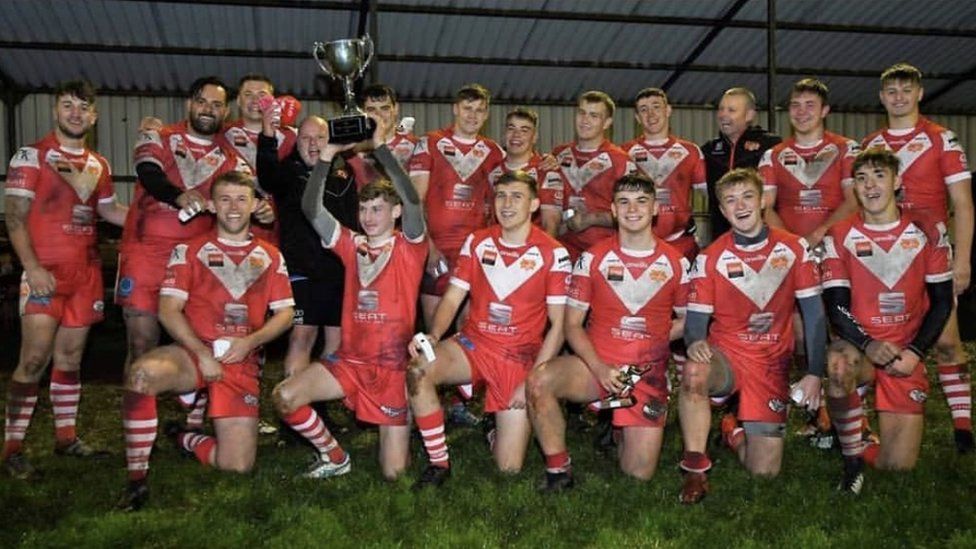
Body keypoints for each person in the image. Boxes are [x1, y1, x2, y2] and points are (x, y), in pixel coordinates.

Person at [117, 171, 295, 511]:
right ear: (211, 205)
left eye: (242, 199)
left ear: (256, 204)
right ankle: (137, 481)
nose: (233, 207)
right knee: (141, 375)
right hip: (194, 351)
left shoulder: (271, 255)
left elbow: (286, 315)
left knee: (237, 466)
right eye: (224, 199)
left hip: (241, 361)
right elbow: (169, 310)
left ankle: (184, 437)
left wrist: (250, 343)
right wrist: (202, 354)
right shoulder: (189, 250)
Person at [272, 115, 425, 480]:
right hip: (350, 364)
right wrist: (326, 155)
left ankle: (413, 416)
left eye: (378, 209)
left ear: (396, 212)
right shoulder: (350, 243)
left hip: (391, 370)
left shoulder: (410, 245)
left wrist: (380, 148)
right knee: (284, 397)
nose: (369, 217)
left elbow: (414, 200)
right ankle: (335, 456)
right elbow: (312, 210)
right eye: (364, 209)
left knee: (394, 475)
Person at [116, 76, 265, 431]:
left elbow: (248, 195)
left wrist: (263, 209)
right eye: (202, 102)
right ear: (189, 104)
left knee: (201, 340)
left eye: (216, 105)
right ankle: (135, 434)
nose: (208, 110)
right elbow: (148, 173)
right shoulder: (159, 135)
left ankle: (191, 424)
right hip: (145, 254)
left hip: (197, 262)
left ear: (225, 111)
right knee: (141, 341)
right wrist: (178, 195)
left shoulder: (232, 159)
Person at [408, 170, 571, 488]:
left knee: (508, 469)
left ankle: (492, 427)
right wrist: (435, 335)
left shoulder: (554, 252)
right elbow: (453, 297)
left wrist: (534, 378)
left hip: (519, 357)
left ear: (535, 204)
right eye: (500, 195)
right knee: (418, 369)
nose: (506, 204)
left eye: (516, 196)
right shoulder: (478, 241)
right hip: (473, 345)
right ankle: (439, 463)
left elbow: (559, 326)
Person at [527, 174, 689, 491]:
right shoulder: (592, 258)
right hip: (594, 365)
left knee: (637, 476)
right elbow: (572, 324)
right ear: (613, 210)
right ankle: (559, 471)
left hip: (644, 371)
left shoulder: (677, 262)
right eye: (624, 202)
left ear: (655, 209)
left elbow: (689, 321)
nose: (632, 210)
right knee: (538, 382)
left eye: (642, 202)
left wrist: (651, 343)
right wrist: (600, 368)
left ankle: (617, 428)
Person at [2, 80, 127, 478]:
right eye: (68, 105)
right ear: (56, 110)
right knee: (34, 359)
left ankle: (66, 438)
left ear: (94, 116)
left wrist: (162, 216)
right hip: (45, 272)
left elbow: (110, 212)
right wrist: (33, 268)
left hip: (86, 274)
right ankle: (12, 449)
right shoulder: (31, 155)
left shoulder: (100, 165)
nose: (76, 113)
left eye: (84, 108)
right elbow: (14, 217)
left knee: (70, 359)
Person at [678, 168, 826, 504]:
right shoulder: (710, 257)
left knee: (764, 473)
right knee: (694, 370)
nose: (740, 205)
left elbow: (815, 315)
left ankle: (732, 428)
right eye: (730, 200)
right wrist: (695, 341)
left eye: (747, 196)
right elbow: (695, 323)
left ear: (762, 201)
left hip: (771, 363)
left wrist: (815, 373)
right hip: (728, 357)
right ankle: (695, 469)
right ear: (721, 209)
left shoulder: (794, 248)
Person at [821, 148, 954, 493]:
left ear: (898, 181)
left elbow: (941, 303)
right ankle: (851, 464)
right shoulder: (839, 235)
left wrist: (915, 352)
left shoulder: (928, 229)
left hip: (906, 353)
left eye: (879, 175)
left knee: (896, 467)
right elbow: (836, 307)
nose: (870, 185)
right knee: (838, 364)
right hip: (861, 347)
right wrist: (868, 343)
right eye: (862, 178)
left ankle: (856, 432)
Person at [862, 63, 974, 453]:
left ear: (920, 93)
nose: (898, 97)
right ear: (881, 98)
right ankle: (864, 424)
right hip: (883, 258)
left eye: (905, 90)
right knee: (877, 338)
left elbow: (962, 203)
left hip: (932, 256)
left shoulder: (942, 139)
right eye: (891, 91)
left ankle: (962, 429)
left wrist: (962, 261)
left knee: (946, 341)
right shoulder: (871, 145)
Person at [257, 114, 358, 376]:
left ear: (330, 141)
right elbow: (267, 177)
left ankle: (318, 402)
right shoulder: (288, 171)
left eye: (320, 138)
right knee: (302, 336)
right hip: (302, 270)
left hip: (339, 271)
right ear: (297, 141)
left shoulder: (344, 171)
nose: (313, 144)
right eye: (306, 138)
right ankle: (294, 407)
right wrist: (267, 135)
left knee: (336, 343)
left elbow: (353, 219)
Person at [409, 83, 505, 326]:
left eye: (479, 110)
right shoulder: (430, 142)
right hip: (435, 249)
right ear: (455, 109)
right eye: (467, 108)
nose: (473, 115)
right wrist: (428, 247)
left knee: (470, 329)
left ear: (487, 114)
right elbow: (414, 199)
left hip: (474, 252)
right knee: (434, 331)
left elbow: (506, 200)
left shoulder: (494, 152)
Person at [540, 91, 635, 260]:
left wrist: (592, 219)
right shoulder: (559, 154)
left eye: (594, 115)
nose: (585, 120)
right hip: (564, 251)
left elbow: (634, 213)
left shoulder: (620, 160)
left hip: (605, 254)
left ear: (607, 123)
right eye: (582, 113)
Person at [621, 87, 708, 262]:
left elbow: (713, 195)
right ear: (637, 118)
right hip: (638, 246)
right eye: (644, 110)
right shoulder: (624, 153)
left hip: (682, 244)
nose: (651, 114)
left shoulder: (690, 151)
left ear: (668, 110)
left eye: (656, 106)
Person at [223, 73, 299, 244]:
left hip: (285, 235)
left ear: (274, 101)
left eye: (262, 95)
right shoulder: (221, 135)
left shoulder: (293, 137)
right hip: (235, 233)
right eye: (248, 94)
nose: (255, 100)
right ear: (238, 101)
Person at [701, 87, 781, 243]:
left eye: (731, 110)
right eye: (721, 109)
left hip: (764, 240)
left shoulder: (770, 146)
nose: (723, 115)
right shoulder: (708, 151)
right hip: (721, 240)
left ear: (749, 115)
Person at [347, 84, 418, 187]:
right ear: (362, 113)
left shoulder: (415, 147)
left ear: (396, 108)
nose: (379, 115)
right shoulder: (351, 149)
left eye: (385, 108)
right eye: (371, 109)